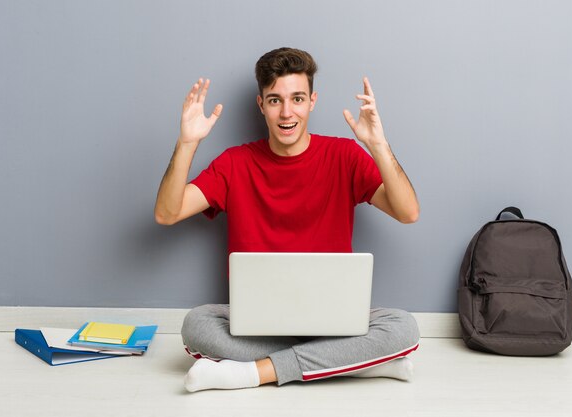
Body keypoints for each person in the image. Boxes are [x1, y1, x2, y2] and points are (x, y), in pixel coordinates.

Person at [154, 47, 420, 392]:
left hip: (332, 321)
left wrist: (378, 144)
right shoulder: (235, 163)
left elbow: (408, 211)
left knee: (404, 326)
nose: (287, 112)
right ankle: (349, 363)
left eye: (297, 98)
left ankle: (252, 374)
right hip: (258, 324)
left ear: (312, 101)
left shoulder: (344, 155)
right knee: (197, 325)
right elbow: (167, 212)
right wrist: (187, 143)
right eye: (275, 100)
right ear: (261, 105)